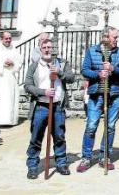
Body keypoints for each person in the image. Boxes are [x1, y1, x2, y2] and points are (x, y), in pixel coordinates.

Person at [77, 28, 119, 172]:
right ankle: (86, 158)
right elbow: (85, 70)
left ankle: (104, 156)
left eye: (117, 37)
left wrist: (113, 68)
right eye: (114, 37)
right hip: (96, 94)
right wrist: (98, 74)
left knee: (110, 126)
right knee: (92, 126)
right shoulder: (92, 51)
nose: (116, 40)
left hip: (114, 94)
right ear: (105, 37)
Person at [23, 38, 75, 179]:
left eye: (49, 47)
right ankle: (33, 166)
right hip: (41, 106)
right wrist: (43, 92)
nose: (47, 49)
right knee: (36, 137)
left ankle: (61, 163)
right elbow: (27, 85)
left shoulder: (62, 64)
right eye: (44, 47)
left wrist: (60, 72)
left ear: (53, 49)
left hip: (57, 106)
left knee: (59, 136)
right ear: (40, 49)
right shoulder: (34, 66)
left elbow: (71, 78)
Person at [0, 31, 23, 126]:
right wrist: (2, 64)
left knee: (9, 100)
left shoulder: (14, 50)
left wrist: (13, 64)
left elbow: (19, 63)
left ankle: (8, 121)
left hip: (10, 79)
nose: (8, 40)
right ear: (2, 39)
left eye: (9, 38)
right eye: (6, 38)